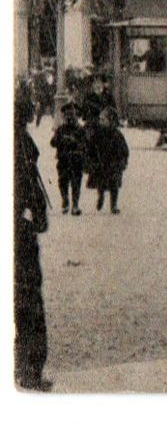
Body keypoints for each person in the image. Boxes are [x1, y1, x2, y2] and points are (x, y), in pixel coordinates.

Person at [15, 111, 51, 390]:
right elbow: (30, 181)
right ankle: (28, 369)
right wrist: (38, 213)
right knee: (27, 298)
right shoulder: (20, 142)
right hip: (18, 232)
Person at [85, 108, 129, 214]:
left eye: (103, 120)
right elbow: (90, 147)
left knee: (114, 185)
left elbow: (124, 149)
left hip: (114, 164)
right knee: (100, 183)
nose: (101, 122)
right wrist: (90, 160)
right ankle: (100, 197)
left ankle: (113, 205)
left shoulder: (117, 135)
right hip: (100, 162)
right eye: (100, 119)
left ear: (111, 121)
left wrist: (123, 161)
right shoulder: (97, 134)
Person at [50, 104, 86, 216]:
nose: (70, 117)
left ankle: (75, 204)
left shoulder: (80, 129)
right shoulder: (61, 129)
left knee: (76, 183)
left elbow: (85, 144)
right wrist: (60, 140)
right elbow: (52, 143)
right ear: (64, 117)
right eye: (67, 115)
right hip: (63, 160)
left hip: (76, 160)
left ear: (76, 116)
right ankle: (65, 200)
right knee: (63, 181)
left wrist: (74, 142)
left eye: (72, 115)